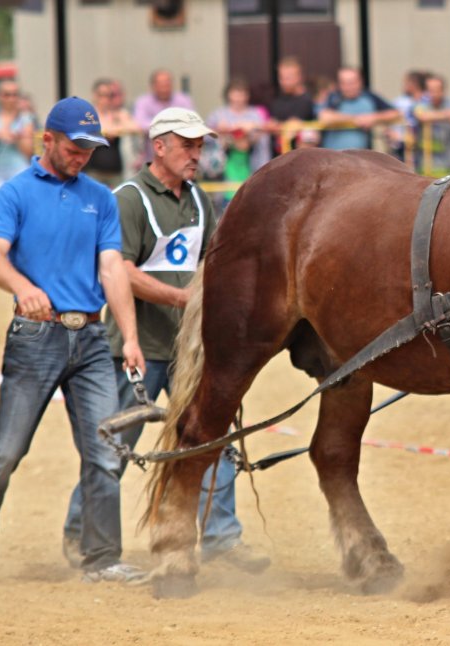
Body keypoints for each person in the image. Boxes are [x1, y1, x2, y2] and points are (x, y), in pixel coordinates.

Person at [61, 106, 271, 574]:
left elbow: (213, 264)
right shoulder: (128, 199)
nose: (197, 155)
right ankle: (80, 530)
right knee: (115, 446)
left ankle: (221, 536)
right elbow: (121, 270)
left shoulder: (199, 200)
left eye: (200, 146)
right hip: (138, 345)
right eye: (187, 146)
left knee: (212, 438)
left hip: (191, 350)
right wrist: (182, 299)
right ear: (159, 147)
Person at [0, 96, 146, 586]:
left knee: (104, 454)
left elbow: (112, 268)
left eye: (89, 149)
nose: (82, 156)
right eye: (74, 147)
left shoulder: (100, 198)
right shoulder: (15, 193)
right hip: (35, 336)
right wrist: (23, 287)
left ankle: (101, 558)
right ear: (48, 139)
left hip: (93, 340)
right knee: (6, 451)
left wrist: (129, 337)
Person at [206, 78, 271, 205]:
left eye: (242, 94)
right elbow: (206, 137)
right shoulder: (218, 115)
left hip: (251, 169)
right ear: (228, 95)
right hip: (224, 171)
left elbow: (263, 140)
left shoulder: (255, 115)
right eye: (235, 93)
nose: (238, 98)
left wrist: (253, 130)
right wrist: (220, 131)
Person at [317, 67, 400, 151]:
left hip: (360, 155)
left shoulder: (369, 97)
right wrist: (356, 119)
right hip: (333, 154)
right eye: (344, 83)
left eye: (352, 82)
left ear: (360, 82)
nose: (348, 87)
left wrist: (373, 118)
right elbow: (324, 116)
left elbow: (395, 113)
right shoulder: (334, 97)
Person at [84, 77, 140, 186]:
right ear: (95, 96)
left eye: (109, 96)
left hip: (115, 171)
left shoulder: (118, 114)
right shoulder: (88, 114)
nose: (105, 100)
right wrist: (109, 130)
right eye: (102, 95)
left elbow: (136, 128)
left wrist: (115, 128)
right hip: (93, 170)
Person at [133, 69, 195, 166]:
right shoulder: (143, 102)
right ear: (153, 86)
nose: (164, 88)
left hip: (181, 159)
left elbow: (192, 122)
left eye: (167, 84)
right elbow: (140, 124)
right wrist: (173, 125)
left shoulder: (183, 100)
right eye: (161, 85)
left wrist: (158, 126)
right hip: (152, 159)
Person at [0, 81, 36, 181]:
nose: (11, 99)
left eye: (14, 95)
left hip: (19, 168)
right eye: (7, 95)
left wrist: (17, 138)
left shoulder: (26, 118)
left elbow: (28, 152)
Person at [268, 57, 318, 153]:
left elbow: (293, 124)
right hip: (281, 155)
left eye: (289, 77)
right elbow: (273, 124)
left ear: (299, 77)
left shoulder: (308, 100)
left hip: (303, 155)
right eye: (282, 77)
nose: (284, 81)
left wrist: (278, 127)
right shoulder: (277, 101)